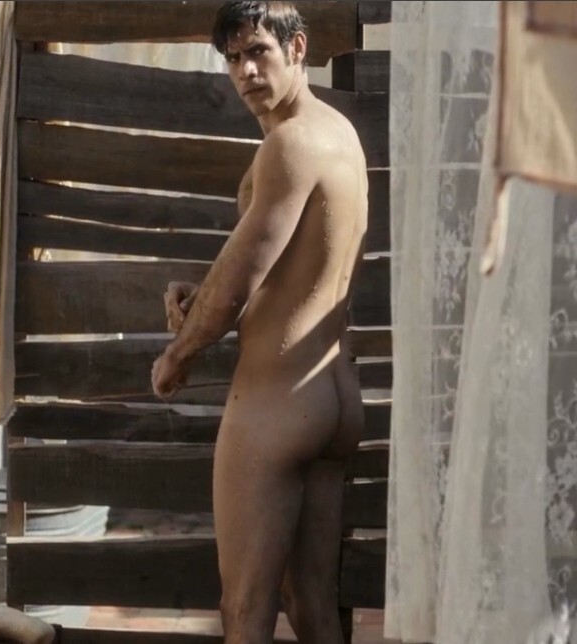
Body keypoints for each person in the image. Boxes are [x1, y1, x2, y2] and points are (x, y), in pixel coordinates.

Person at [150, 2, 369, 642]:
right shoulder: (338, 134)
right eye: (233, 58)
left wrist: (178, 354)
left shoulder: (289, 144)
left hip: (277, 401)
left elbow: (243, 275)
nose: (245, 71)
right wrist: (204, 295)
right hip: (333, 395)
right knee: (312, 607)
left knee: (245, 612)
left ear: (297, 49)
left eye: (258, 52)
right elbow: (292, 269)